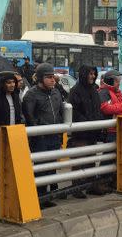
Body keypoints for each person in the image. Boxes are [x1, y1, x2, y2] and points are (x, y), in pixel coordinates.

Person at [22, 63, 63, 207]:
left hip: (54, 135)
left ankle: (50, 195)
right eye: (49, 77)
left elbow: (61, 112)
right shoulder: (31, 95)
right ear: (40, 78)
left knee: (52, 165)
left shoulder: (56, 92)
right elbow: (29, 117)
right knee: (41, 167)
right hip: (40, 137)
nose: (52, 80)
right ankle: (40, 196)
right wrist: (38, 130)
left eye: (53, 77)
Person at [67, 66, 105, 198]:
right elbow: (75, 112)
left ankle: (91, 185)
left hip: (92, 132)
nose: (93, 76)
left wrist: (97, 123)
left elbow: (97, 108)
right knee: (79, 160)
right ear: (84, 74)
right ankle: (76, 188)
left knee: (90, 160)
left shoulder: (94, 89)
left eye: (94, 74)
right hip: (81, 132)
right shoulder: (75, 91)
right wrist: (88, 123)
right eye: (90, 74)